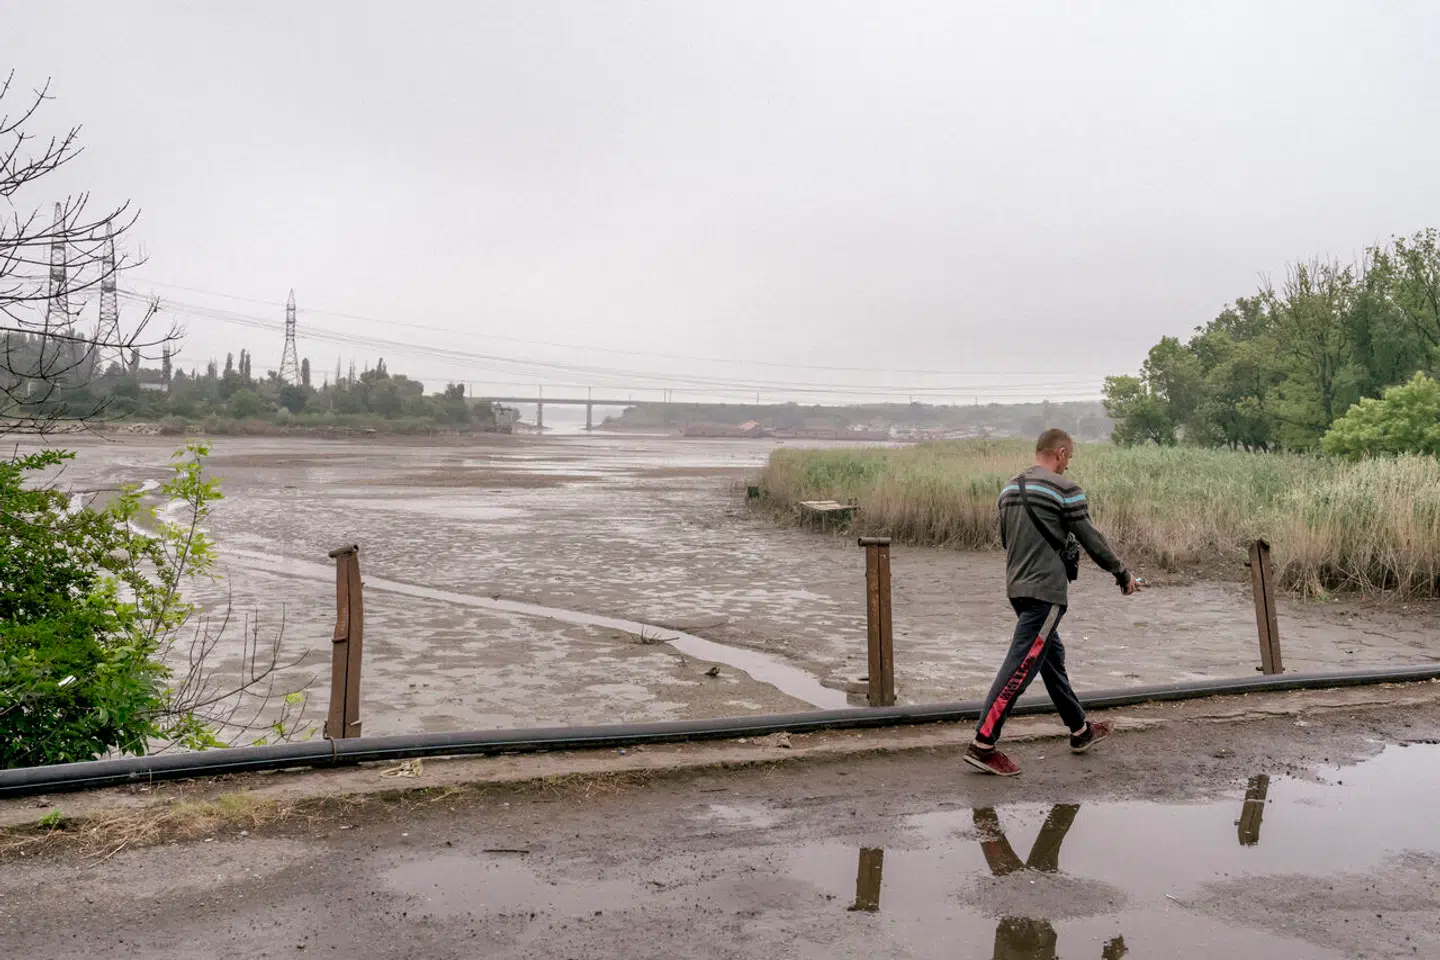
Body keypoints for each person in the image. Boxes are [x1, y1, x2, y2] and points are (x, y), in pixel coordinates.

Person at [964, 428, 1141, 777]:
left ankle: (1080, 731)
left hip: (1016, 588)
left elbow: (1006, 540)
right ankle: (983, 745)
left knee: (1050, 658)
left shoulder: (1008, 489)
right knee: (1022, 665)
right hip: (1046, 594)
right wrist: (1122, 574)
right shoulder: (1065, 489)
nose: (1067, 465)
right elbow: (1092, 539)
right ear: (1060, 453)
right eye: (1069, 458)